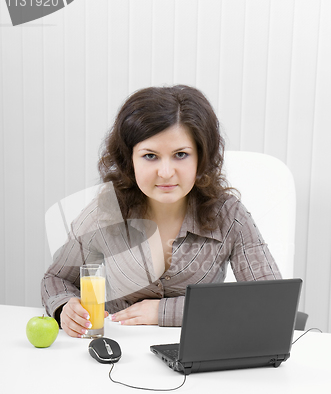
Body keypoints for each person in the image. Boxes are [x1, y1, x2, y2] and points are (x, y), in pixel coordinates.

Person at [41, 85, 281, 338]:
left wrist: (166, 311)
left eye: (180, 154)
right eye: (150, 156)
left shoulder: (228, 214)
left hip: (200, 355)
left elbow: (271, 301)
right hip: (118, 356)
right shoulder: (105, 212)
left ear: (201, 157)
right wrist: (65, 307)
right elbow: (56, 279)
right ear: (129, 159)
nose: (166, 172)